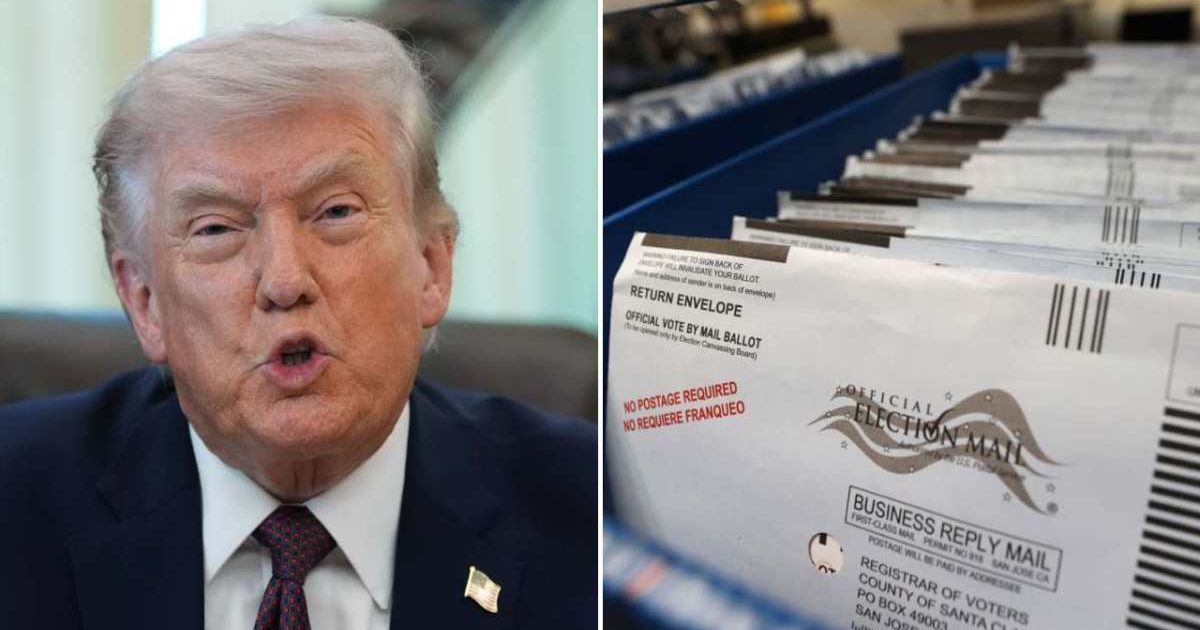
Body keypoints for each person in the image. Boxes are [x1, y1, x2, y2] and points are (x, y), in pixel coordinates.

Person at [0, 17, 596, 630]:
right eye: (216, 229)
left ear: (432, 265)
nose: (285, 282)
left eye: (336, 212)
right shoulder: (14, 501)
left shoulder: (590, 513)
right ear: (143, 300)